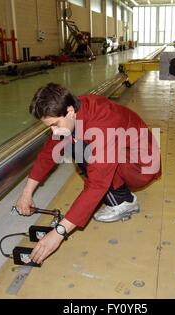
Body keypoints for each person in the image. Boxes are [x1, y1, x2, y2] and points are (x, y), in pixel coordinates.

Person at [15, 83, 161, 264]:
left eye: (55, 125)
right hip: (126, 154)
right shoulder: (75, 111)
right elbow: (48, 153)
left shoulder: (103, 122)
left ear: (69, 111)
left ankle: (124, 201)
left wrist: (59, 232)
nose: (54, 132)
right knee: (72, 144)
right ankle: (120, 194)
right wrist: (26, 193)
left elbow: (97, 183)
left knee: (81, 151)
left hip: (142, 164)